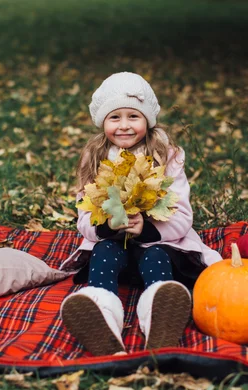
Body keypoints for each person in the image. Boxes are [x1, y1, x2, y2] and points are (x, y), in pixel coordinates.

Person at [59, 72, 223, 356]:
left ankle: (161, 311)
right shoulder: (95, 157)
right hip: (113, 247)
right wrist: (107, 226)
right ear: (102, 122)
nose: (124, 126)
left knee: (156, 256)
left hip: (160, 245)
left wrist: (145, 228)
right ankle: (102, 314)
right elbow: (84, 218)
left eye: (133, 116)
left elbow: (182, 218)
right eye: (115, 117)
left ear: (148, 119)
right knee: (104, 253)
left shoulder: (167, 156)